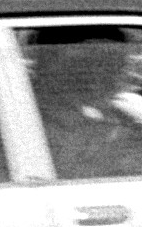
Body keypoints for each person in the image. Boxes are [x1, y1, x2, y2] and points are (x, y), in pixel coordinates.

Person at [25, 26, 142, 179]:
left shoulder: (120, 114)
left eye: (112, 64)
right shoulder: (29, 121)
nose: (98, 77)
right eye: (85, 65)